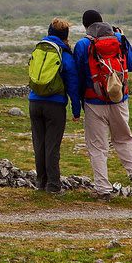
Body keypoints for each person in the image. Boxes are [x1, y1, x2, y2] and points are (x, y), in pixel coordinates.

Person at [73, 9, 132, 200]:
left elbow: (79, 74)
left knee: (98, 146)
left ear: (85, 26)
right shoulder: (118, 38)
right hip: (119, 99)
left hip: (93, 101)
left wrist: (78, 102)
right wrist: (122, 37)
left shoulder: (83, 44)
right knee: (124, 139)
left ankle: (103, 189)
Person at [28, 18, 81, 194]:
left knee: (39, 144)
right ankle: (53, 185)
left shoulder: (40, 50)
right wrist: (76, 109)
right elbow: (73, 84)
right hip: (55, 105)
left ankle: (40, 183)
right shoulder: (65, 55)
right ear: (66, 36)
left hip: (34, 102)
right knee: (52, 146)